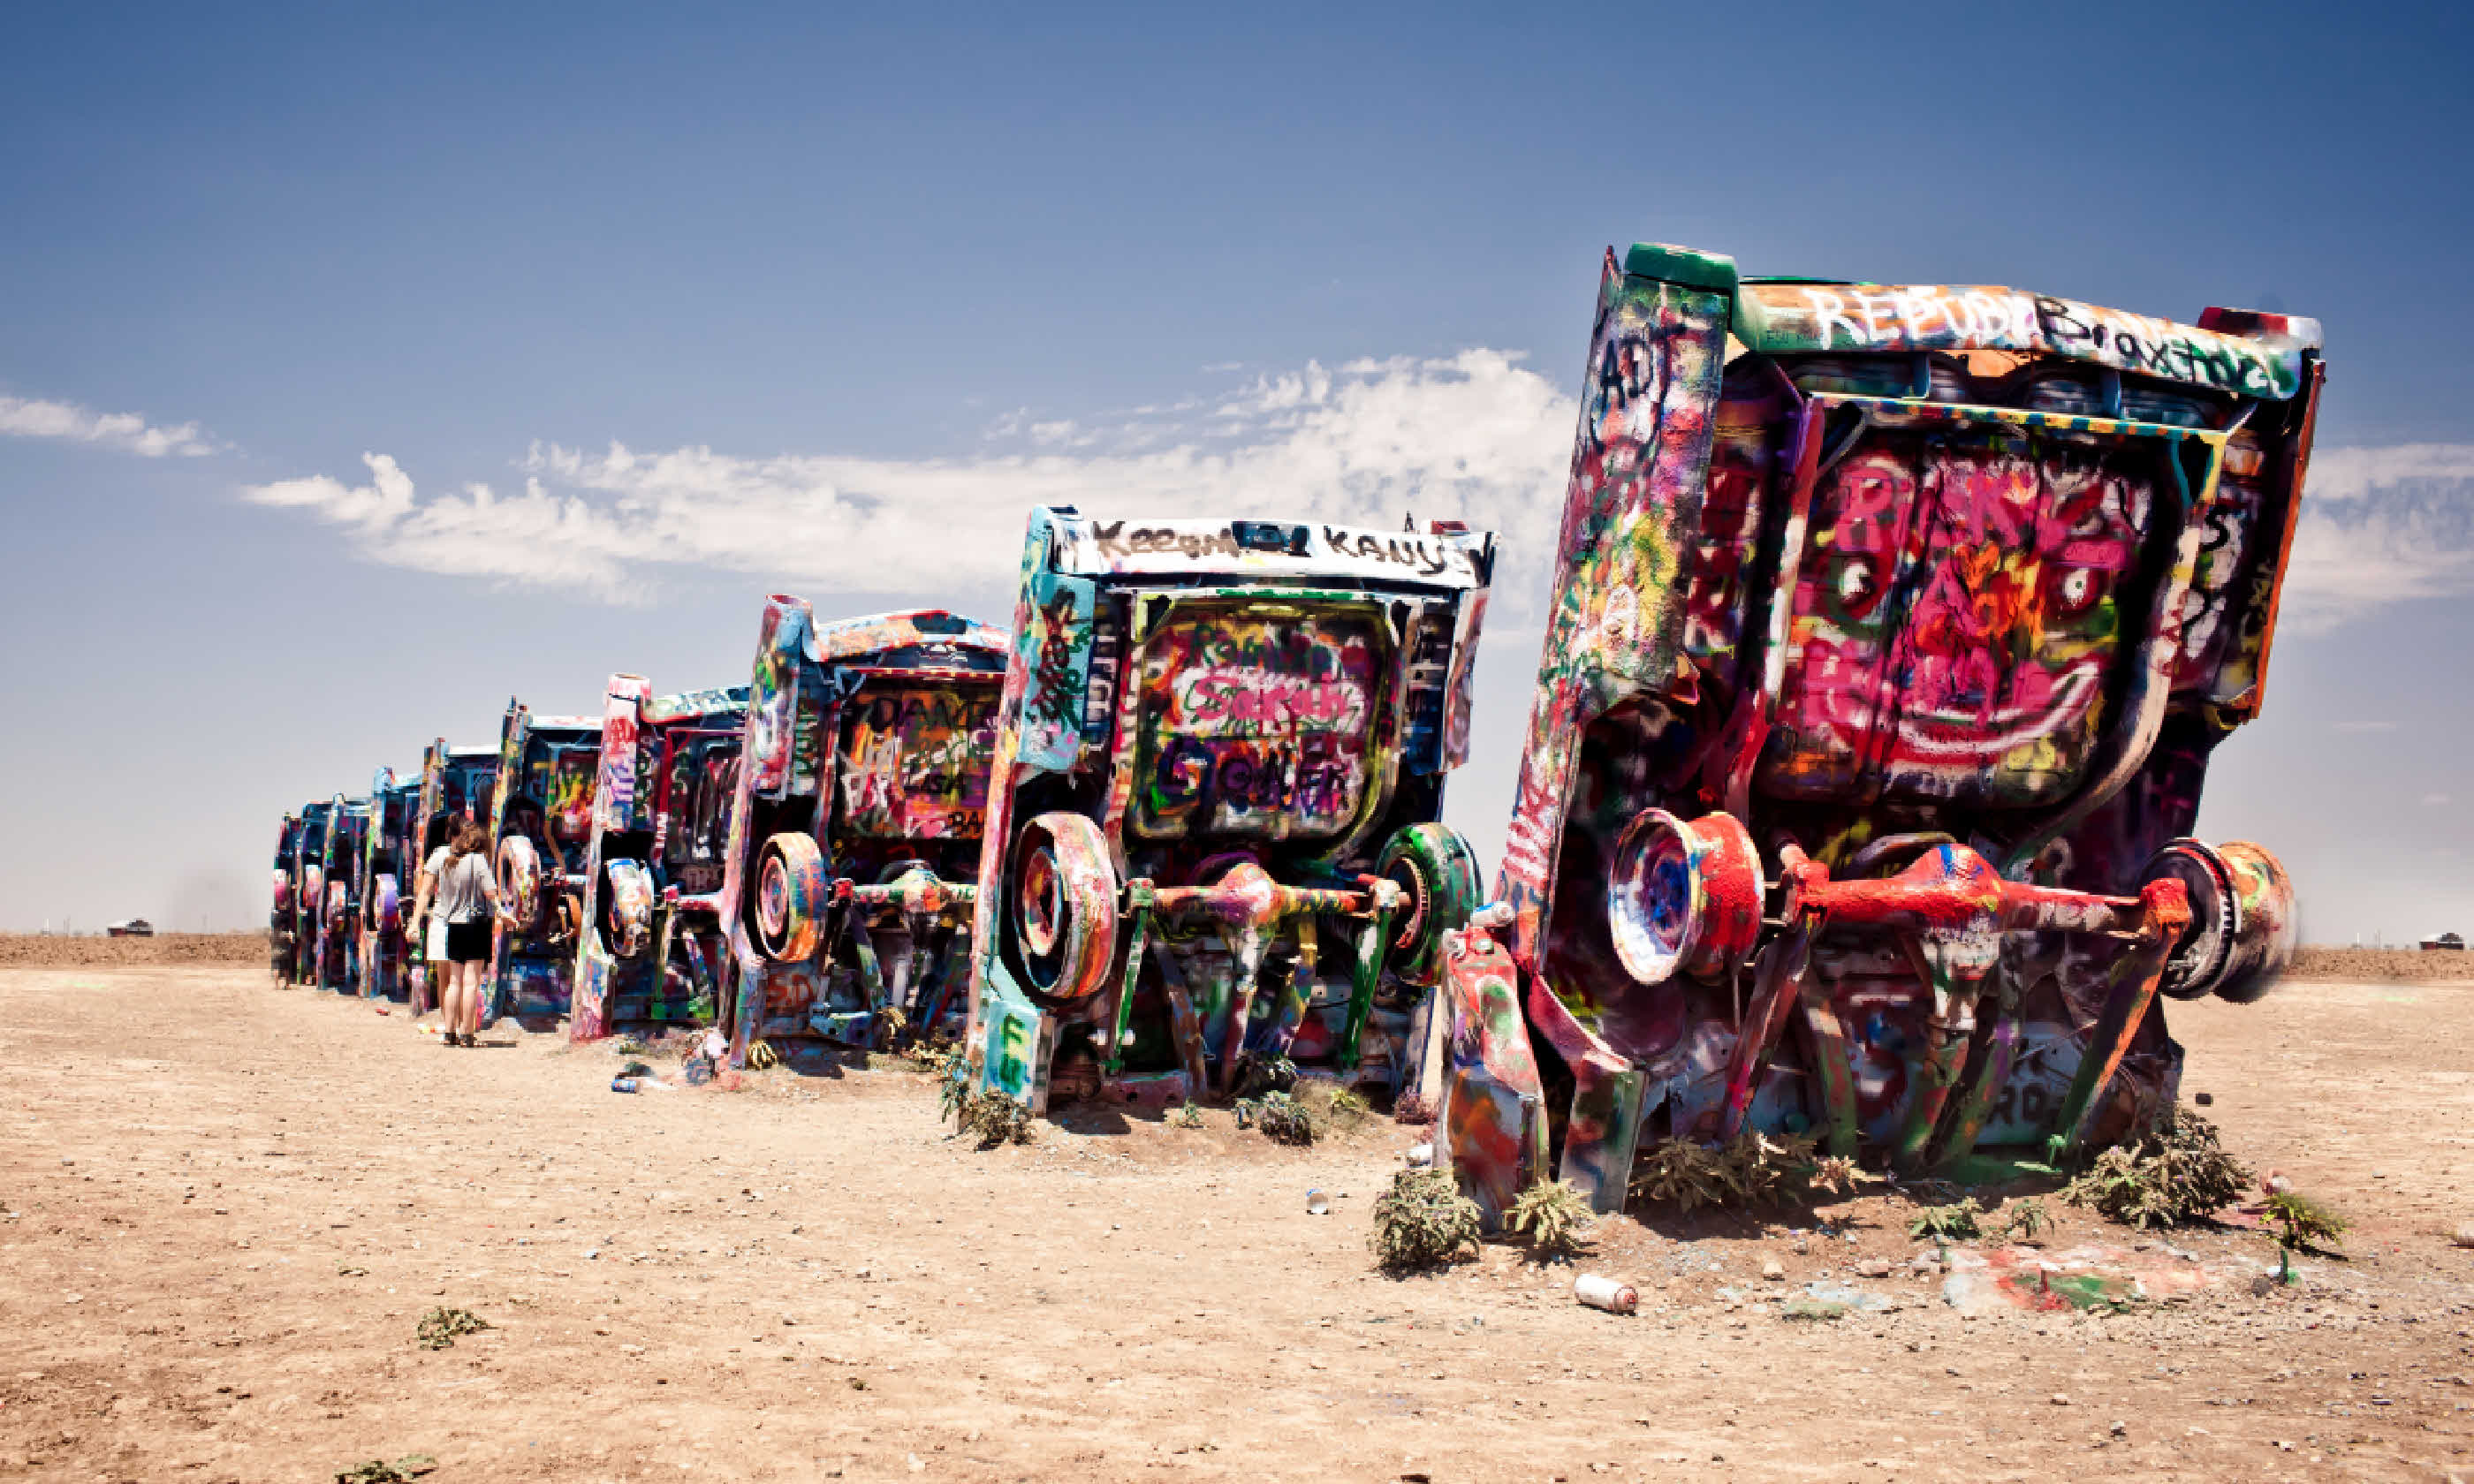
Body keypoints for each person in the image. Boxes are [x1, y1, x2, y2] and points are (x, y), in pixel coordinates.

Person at [410, 820, 505, 1047]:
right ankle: (467, 1034)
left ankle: (449, 1032)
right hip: (475, 924)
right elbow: (491, 893)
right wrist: (503, 914)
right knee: (471, 982)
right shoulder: (478, 860)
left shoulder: (449, 861)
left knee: (453, 983)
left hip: (452, 925)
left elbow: (430, 892)